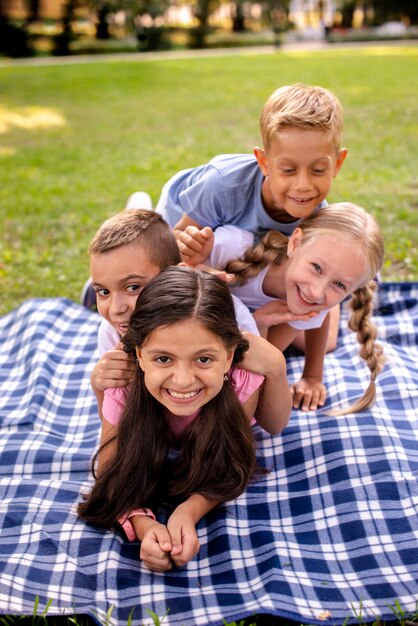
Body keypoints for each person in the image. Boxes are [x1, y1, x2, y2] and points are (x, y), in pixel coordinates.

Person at [78, 266, 291, 571]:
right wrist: (144, 525)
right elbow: (111, 471)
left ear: (229, 357)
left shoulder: (242, 379)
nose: (182, 381)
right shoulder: (123, 381)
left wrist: (188, 512)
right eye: (163, 359)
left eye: (203, 359)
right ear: (139, 353)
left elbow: (229, 466)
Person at [126, 83, 348, 347]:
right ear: (264, 162)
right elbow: (176, 244)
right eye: (288, 170)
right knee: (152, 272)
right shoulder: (223, 186)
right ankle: (139, 214)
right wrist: (194, 257)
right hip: (185, 212)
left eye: (318, 170)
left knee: (316, 334)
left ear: (336, 164)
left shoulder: (318, 221)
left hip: (244, 261)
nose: (303, 185)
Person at [181, 202, 385, 415]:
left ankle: (329, 309)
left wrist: (312, 376)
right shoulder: (229, 247)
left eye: (340, 284)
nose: (317, 291)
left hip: (272, 315)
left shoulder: (313, 301)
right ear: (295, 243)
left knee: (326, 339)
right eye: (316, 267)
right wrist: (198, 272)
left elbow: (258, 361)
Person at [87, 209, 266, 408]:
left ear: (176, 273)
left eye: (133, 287)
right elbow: (121, 408)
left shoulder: (234, 320)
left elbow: (257, 401)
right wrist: (98, 385)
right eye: (103, 291)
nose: (115, 309)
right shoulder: (112, 332)